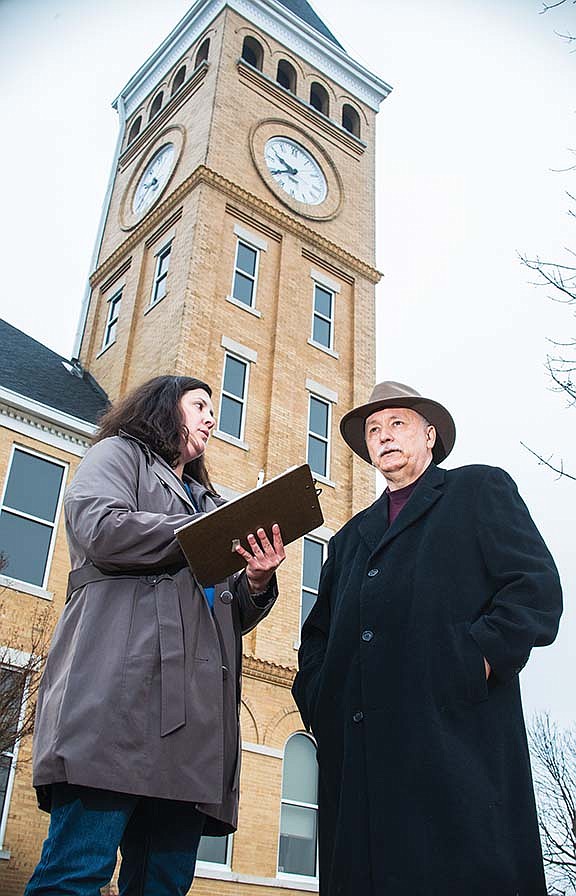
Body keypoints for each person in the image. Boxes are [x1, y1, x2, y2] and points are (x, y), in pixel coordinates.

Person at [292, 380, 562, 896]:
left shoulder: (477, 491)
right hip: (361, 772)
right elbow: (317, 639)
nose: (383, 436)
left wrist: (474, 662)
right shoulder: (348, 540)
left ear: (429, 435)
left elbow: (534, 589)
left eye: (397, 424)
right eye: (373, 430)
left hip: (454, 751)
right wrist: (323, 700)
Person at [26, 374, 285, 896]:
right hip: (117, 708)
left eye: (214, 410)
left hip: (192, 732)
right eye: (199, 406)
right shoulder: (118, 455)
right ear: (166, 408)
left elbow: (226, 611)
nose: (212, 418)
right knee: (76, 874)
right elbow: (101, 528)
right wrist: (202, 536)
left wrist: (256, 579)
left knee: (161, 886)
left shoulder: (210, 502)